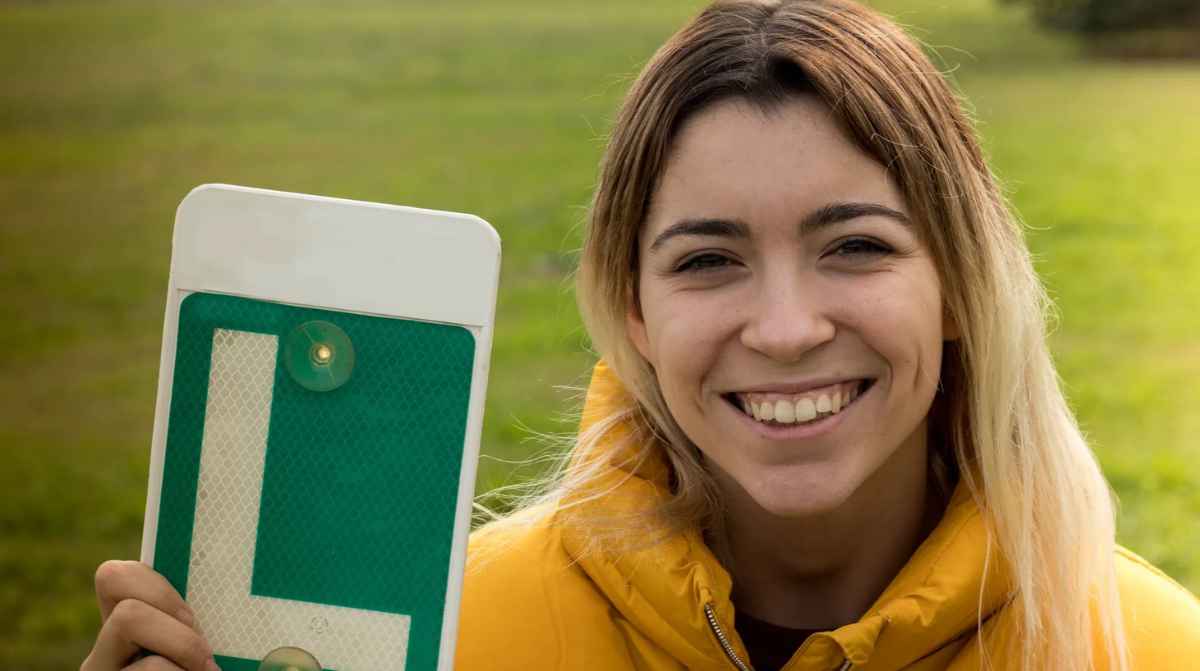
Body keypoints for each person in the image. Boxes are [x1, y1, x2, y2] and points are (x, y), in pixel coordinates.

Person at [83, 1, 1200, 670]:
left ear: (960, 284)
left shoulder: (1143, 645)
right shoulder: (453, 635)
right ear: (634, 313)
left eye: (855, 245)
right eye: (708, 260)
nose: (786, 328)